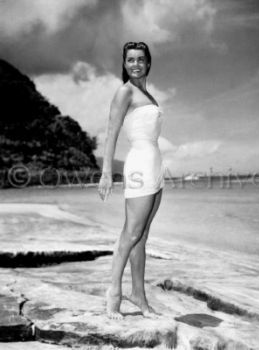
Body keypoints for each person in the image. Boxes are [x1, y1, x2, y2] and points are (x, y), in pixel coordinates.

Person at [98, 42, 165, 320]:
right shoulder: (125, 91)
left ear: (148, 63)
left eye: (140, 59)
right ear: (124, 64)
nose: (135, 64)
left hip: (156, 165)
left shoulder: (148, 94)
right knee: (131, 233)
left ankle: (138, 294)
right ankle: (113, 293)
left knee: (142, 236)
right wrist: (105, 173)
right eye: (130, 60)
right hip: (138, 165)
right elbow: (112, 132)